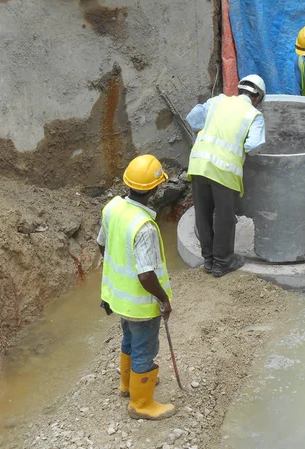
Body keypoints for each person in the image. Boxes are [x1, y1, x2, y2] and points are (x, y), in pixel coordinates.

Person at [97, 154, 176, 420]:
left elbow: (102, 245)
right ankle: (140, 404)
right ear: (154, 189)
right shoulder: (144, 227)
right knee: (145, 349)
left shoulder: (112, 208)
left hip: (118, 298)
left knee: (129, 339)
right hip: (141, 305)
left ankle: (127, 385)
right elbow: (145, 275)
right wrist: (164, 299)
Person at [186, 74, 267, 277]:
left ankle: (209, 260)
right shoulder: (254, 115)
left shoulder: (217, 101)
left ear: (239, 90)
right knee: (224, 218)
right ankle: (223, 262)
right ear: (257, 98)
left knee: (203, 214)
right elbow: (254, 145)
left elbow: (193, 119)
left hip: (198, 163)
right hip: (225, 170)